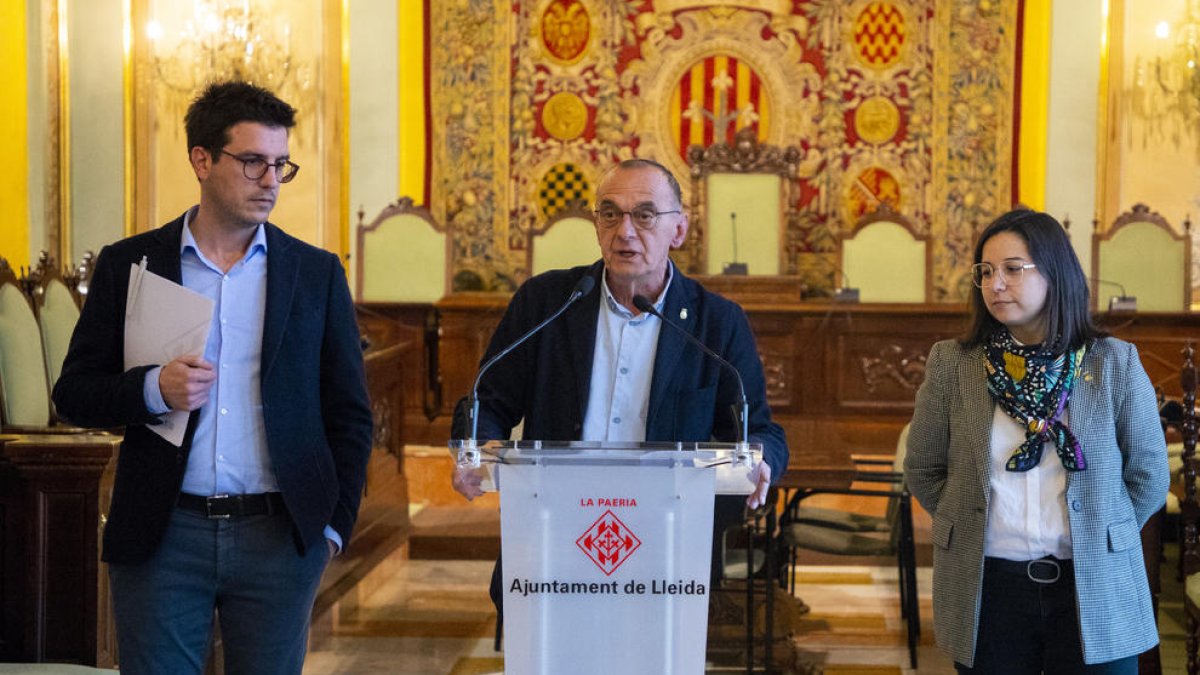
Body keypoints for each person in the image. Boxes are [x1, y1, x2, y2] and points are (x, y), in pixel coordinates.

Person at [52, 81, 373, 675]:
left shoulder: (315, 273)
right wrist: (153, 389)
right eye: (252, 162)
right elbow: (73, 394)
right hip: (163, 534)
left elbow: (350, 415)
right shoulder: (132, 264)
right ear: (202, 160)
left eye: (280, 164)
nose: (270, 180)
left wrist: (332, 527)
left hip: (279, 537)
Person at [451, 158, 788, 614]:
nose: (624, 231)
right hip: (552, 538)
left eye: (645, 215)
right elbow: (488, 400)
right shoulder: (546, 302)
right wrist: (476, 446)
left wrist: (762, 460)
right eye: (609, 214)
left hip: (665, 554)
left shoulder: (716, 323)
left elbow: (759, 431)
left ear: (678, 230)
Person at [904, 209, 1169, 673]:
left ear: (1055, 272)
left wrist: (1106, 529)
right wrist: (963, 517)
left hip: (1094, 585)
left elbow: (1148, 475)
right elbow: (924, 469)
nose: (995, 284)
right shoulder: (954, 364)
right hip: (990, 589)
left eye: (1012, 269)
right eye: (986, 272)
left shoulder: (1113, 362)